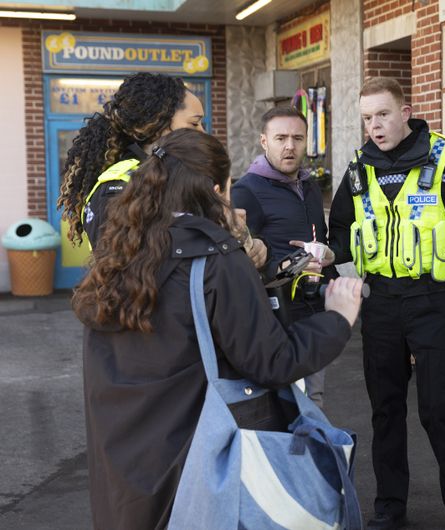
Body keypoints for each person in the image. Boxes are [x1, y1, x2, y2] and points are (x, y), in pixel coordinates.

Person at [72, 128, 363, 530]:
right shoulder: (215, 259)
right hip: (196, 466)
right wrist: (338, 318)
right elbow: (271, 361)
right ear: (215, 189)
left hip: (123, 467)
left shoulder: (118, 255)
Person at [329, 77, 445, 530]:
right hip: (379, 300)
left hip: (433, 299)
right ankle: (389, 506)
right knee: (385, 408)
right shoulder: (360, 166)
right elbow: (341, 230)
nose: (374, 126)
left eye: (382, 114)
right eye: (366, 118)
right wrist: (327, 253)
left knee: (440, 408)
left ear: (406, 111)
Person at [56, 72, 266, 267]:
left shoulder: (186, 176)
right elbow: (134, 268)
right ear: (156, 124)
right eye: (194, 124)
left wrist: (247, 243)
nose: (204, 134)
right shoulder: (118, 185)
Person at [232, 106, 336, 407]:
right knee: (285, 402)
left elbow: (320, 239)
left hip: (315, 308)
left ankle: (307, 454)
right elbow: (245, 259)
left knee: (313, 399)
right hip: (277, 316)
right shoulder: (246, 191)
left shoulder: (310, 186)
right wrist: (287, 264)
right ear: (264, 141)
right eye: (280, 138)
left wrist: (327, 257)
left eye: (297, 138)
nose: (290, 146)